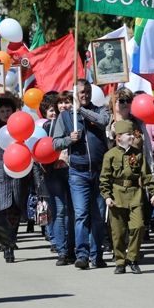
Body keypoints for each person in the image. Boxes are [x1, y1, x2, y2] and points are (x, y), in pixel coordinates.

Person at [52, 79, 110, 269]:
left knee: (99, 215)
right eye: (80, 92)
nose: (84, 95)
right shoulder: (65, 117)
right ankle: (82, 255)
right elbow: (55, 142)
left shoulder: (99, 110)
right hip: (78, 172)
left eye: (86, 92)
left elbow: (103, 122)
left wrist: (81, 110)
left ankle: (97, 254)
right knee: (81, 214)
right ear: (75, 94)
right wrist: (70, 139)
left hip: (100, 171)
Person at [100, 120, 154, 274]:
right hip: (116, 195)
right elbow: (104, 178)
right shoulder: (110, 155)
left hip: (135, 194)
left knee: (138, 226)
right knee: (117, 233)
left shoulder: (137, 154)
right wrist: (107, 196)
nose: (132, 137)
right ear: (118, 137)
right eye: (128, 134)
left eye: (132, 134)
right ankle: (120, 261)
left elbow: (146, 175)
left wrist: (153, 193)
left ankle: (132, 258)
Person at [0, 97, 30, 263]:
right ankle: (6, 244)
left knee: (16, 206)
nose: (5, 114)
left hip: (18, 170)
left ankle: (11, 239)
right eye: (2, 111)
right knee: (2, 208)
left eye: (8, 111)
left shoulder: (19, 125)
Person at [45, 92, 76, 266]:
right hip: (54, 172)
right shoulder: (49, 124)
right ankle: (62, 250)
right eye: (61, 103)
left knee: (74, 212)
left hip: (74, 170)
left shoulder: (77, 120)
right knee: (59, 210)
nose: (64, 105)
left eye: (68, 102)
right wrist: (67, 140)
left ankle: (72, 248)